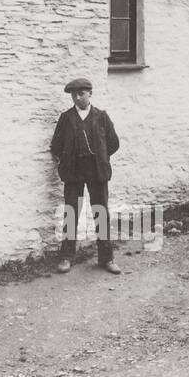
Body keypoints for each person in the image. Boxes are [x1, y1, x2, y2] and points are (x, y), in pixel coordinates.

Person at [50, 78, 122, 274]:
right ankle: (66, 257)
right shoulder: (66, 118)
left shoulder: (101, 117)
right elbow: (56, 145)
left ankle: (106, 259)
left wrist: (100, 158)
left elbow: (113, 143)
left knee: (101, 212)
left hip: (96, 171)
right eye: (74, 95)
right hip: (73, 171)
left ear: (90, 94)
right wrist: (65, 161)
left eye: (81, 93)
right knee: (71, 212)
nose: (77, 97)